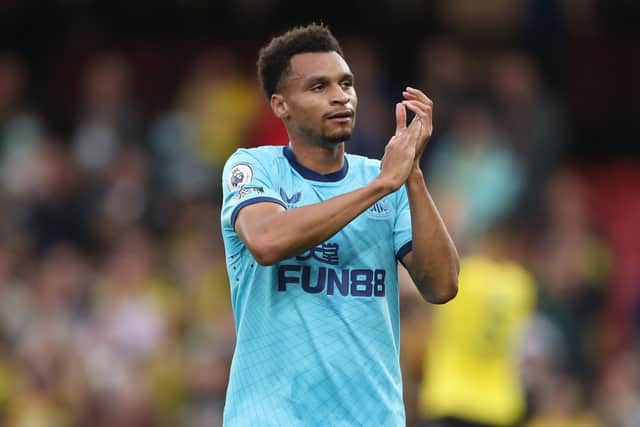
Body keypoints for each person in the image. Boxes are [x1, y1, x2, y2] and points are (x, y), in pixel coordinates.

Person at [220, 23, 459, 426]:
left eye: (346, 84)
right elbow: (266, 241)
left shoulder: (387, 181)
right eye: (318, 87)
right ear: (281, 105)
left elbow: (442, 286)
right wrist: (385, 183)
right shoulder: (255, 167)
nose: (340, 97)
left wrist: (411, 174)